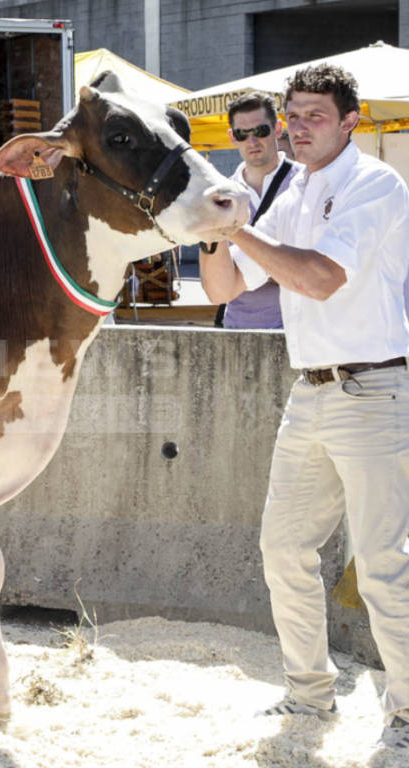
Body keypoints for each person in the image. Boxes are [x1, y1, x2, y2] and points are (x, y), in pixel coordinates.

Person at [201, 63, 409, 751]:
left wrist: (239, 229)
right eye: (293, 114)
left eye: (314, 113)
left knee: (384, 563)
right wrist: (211, 226)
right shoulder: (294, 194)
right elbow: (222, 288)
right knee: (283, 548)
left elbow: (318, 279)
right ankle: (308, 697)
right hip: (311, 391)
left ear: (351, 121)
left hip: (376, 390)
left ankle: (406, 713)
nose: (297, 126)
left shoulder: (375, 182)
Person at [201, 92, 299, 329]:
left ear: (278, 129)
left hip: (297, 330)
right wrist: (277, 267)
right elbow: (216, 286)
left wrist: (240, 271)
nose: (252, 141)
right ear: (232, 138)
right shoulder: (222, 196)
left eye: (261, 131)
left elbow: (309, 270)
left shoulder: (305, 184)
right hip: (237, 328)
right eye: (242, 134)